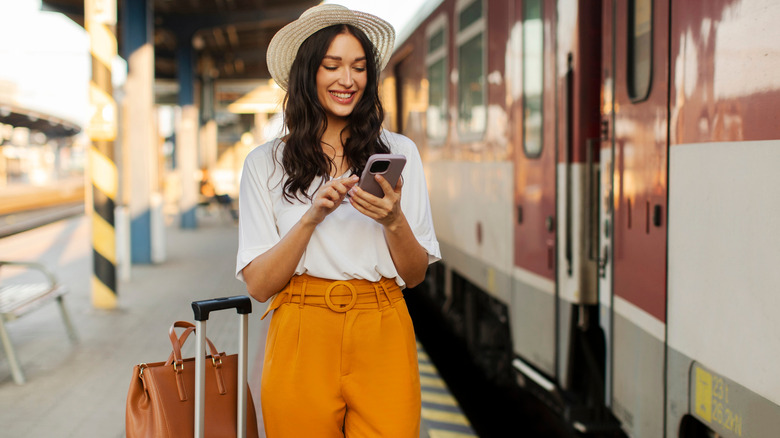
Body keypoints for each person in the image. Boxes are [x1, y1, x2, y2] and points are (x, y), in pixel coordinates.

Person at [235, 4, 440, 437]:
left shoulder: (399, 153)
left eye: (359, 68)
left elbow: (415, 274)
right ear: (307, 73)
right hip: (300, 330)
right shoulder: (264, 163)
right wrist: (311, 218)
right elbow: (259, 286)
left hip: (383, 328)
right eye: (332, 66)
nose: (348, 80)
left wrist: (394, 220)